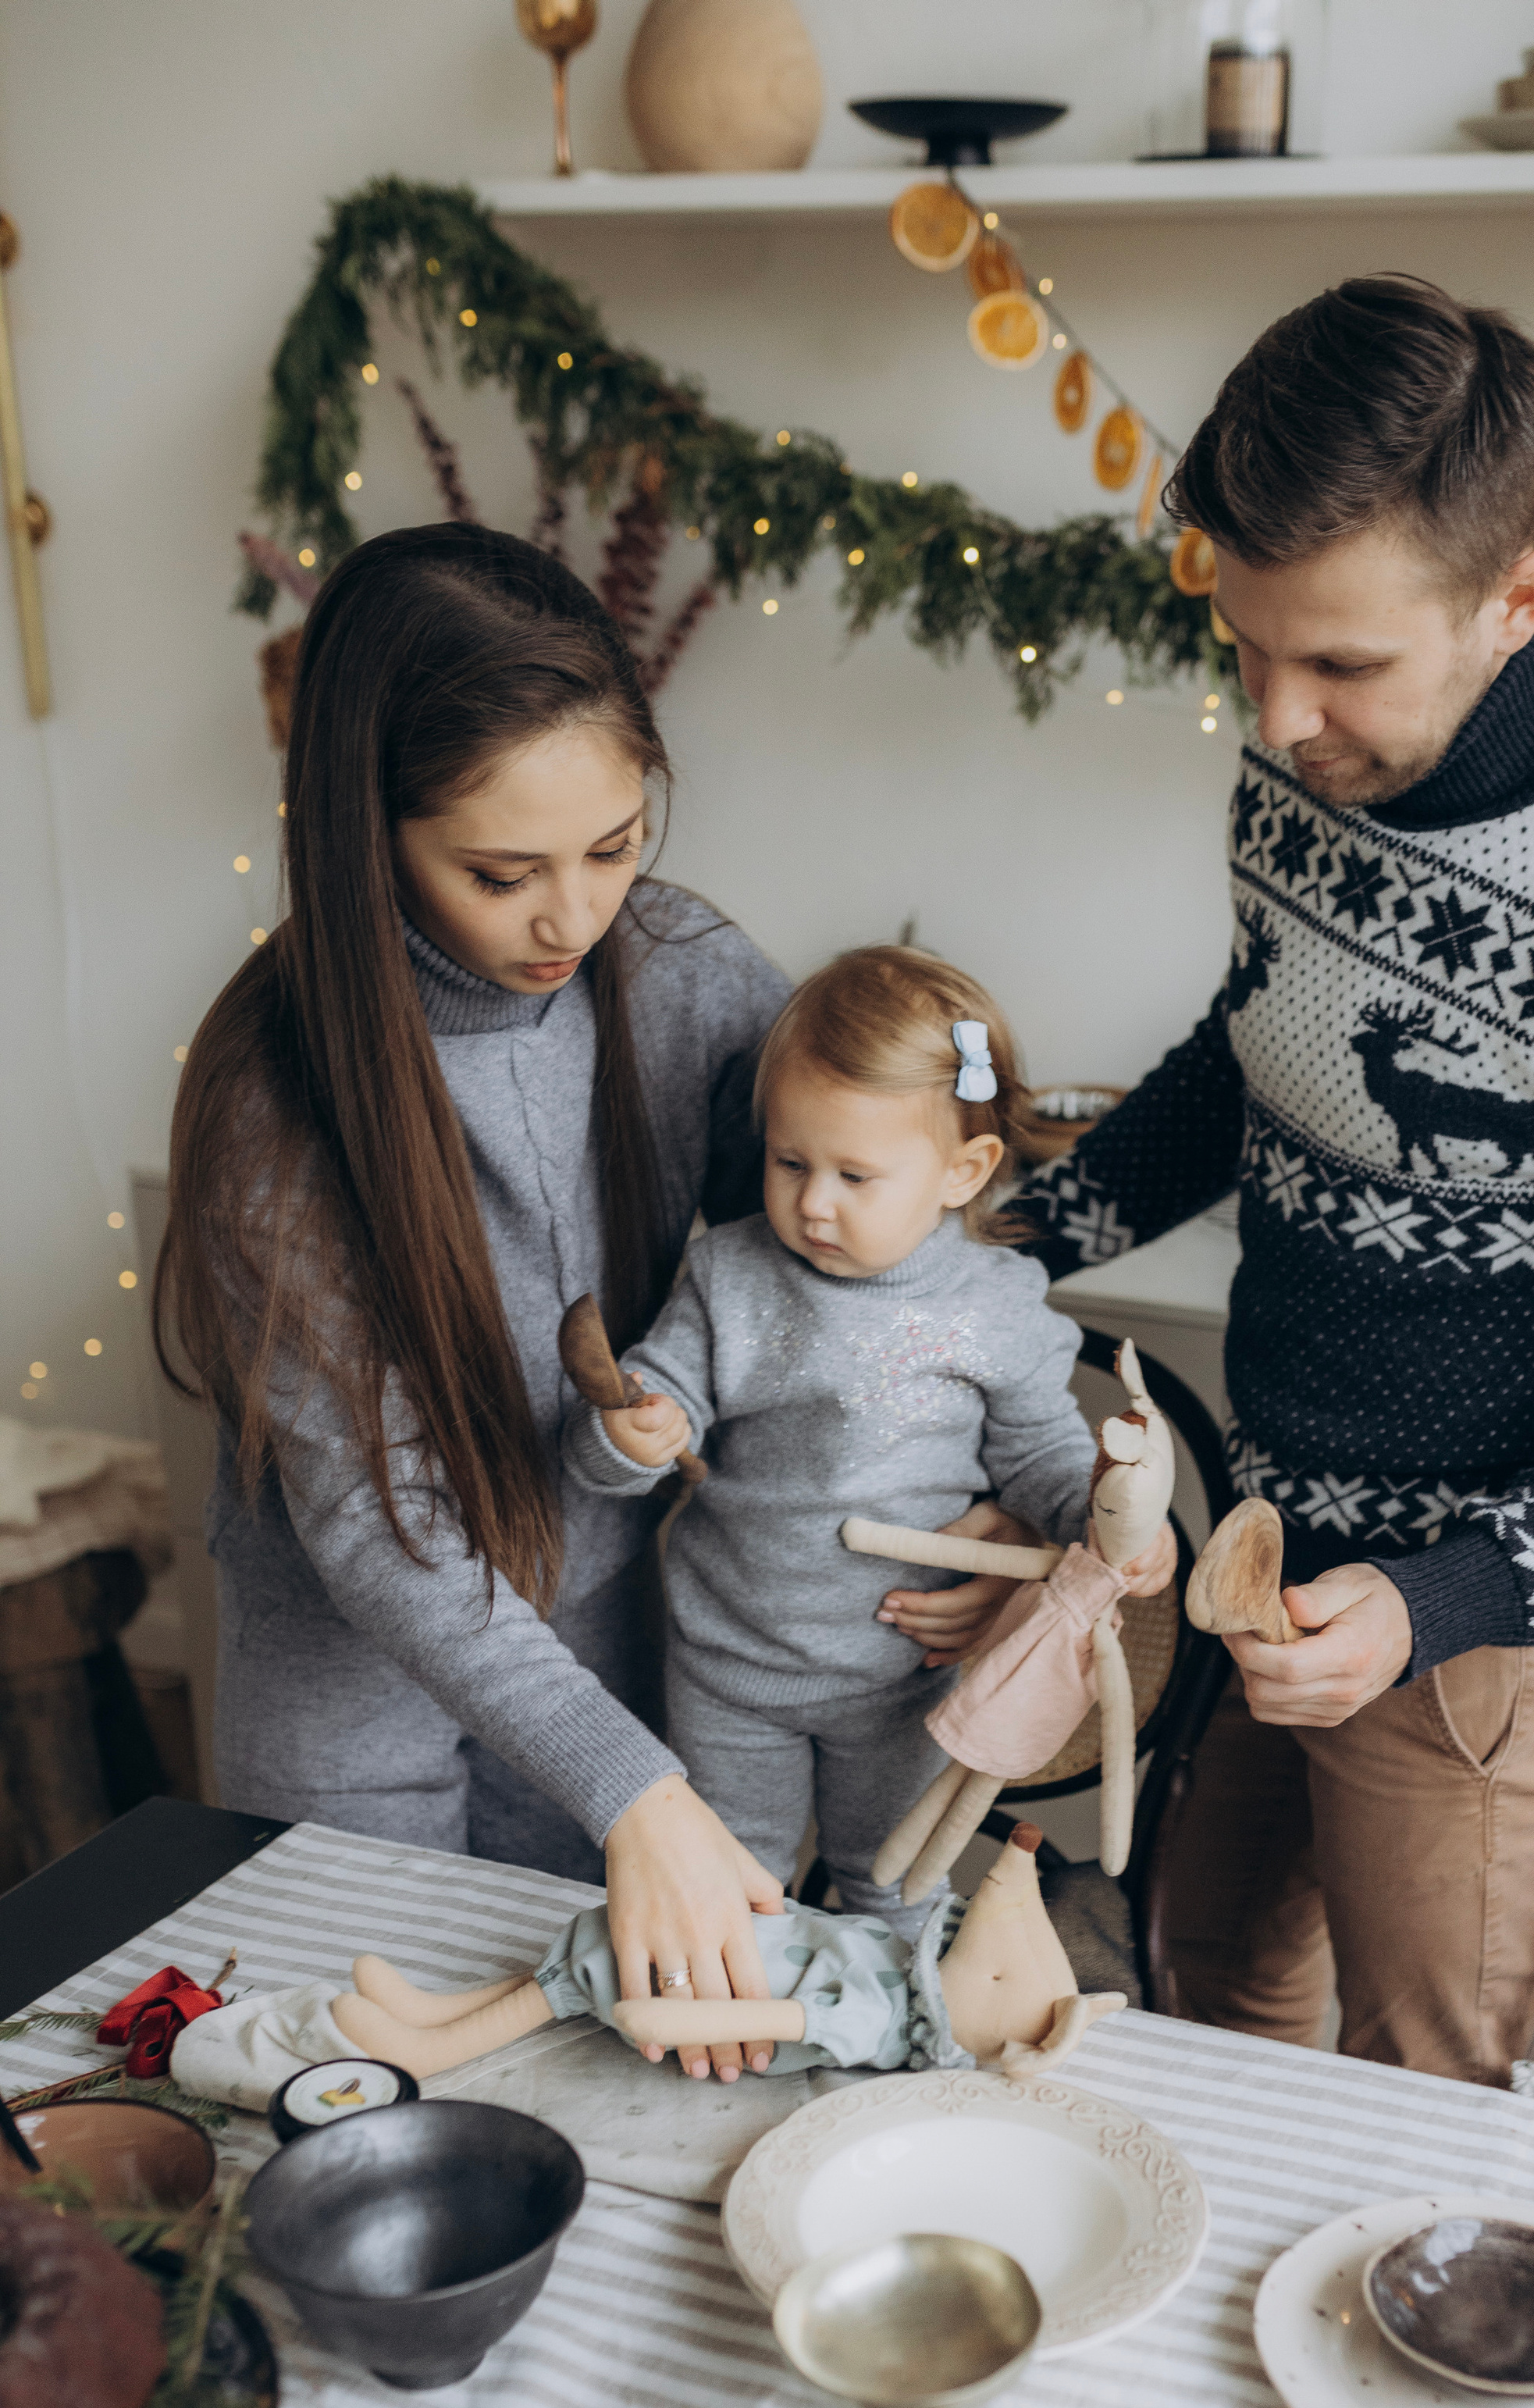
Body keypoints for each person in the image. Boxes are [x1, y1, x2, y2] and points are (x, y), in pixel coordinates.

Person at [1014, 274, 1534, 2087]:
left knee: (1425, 2099)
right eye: (1243, 647)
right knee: (1200, 2003)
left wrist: (1442, 1600)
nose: (1278, 713)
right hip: (1271, 1531)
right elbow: (1262, 1039)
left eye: (1340, 662)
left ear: (1516, 595)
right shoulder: (1299, 762)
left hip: (1481, 1635)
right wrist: (1011, 1242)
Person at [156, 526, 1011, 2084]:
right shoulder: (267, 1099)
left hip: (622, 1663)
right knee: (349, 2106)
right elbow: (384, 1531)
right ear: (362, 834)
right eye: (501, 872)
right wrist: (642, 1795)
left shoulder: (687, 976)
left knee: (597, 2111)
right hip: (352, 1715)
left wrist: (992, 1519)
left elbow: (890, 1247)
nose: (575, 918)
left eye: (614, 845)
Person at [562, 946, 1175, 1929]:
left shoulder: (997, 1306)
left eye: (855, 1174)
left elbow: (1043, 1461)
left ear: (960, 1171)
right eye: (789, 1161)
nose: (811, 1201)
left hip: (900, 1678)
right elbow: (635, 1425)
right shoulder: (731, 1275)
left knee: (892, 1886)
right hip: (727, 1665)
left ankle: (891, 2054)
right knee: (728, 1884)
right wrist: (634, 1435)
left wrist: (1107, 1521)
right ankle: (729, 2048)